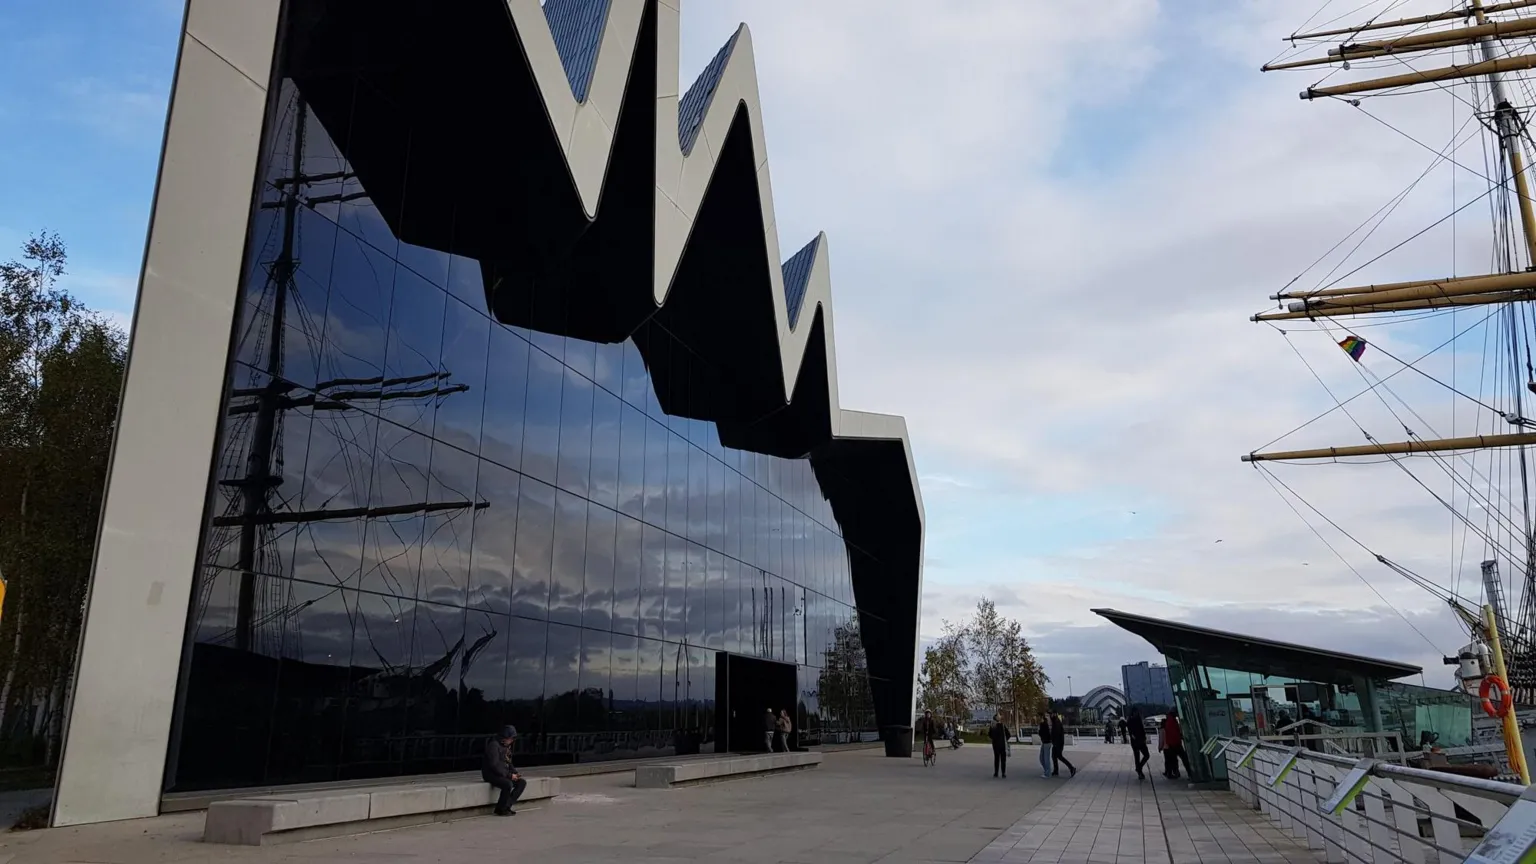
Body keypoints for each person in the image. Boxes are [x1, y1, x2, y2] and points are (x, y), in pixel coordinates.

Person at [481, 725, 527, 816]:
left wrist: (515, 773)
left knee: (521, 783)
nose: (512, 741)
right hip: (491, 774)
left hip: (502, 773)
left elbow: (509, 763)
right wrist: (509, 776)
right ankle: (501, 808)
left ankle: (506, 806)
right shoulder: (493, 746)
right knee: (507, 784)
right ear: (505, 737)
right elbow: (494, 765)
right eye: (510, 738)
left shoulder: (506, 747)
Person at [1160, 707, 1193, 780]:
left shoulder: (1169, 721)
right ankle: (1189, 773)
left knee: (1173, 760)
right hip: (1175, 743)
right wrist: (1180, 737)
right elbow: (1174, 733)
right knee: (1183, 759)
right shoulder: (1172, 721)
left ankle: (1173, 773)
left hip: (1171, 744)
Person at [1128, 708, 1150, 780]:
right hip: (1138, 741)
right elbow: (1131, 732)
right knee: (1143, 756)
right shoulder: (1134, 720)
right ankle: (1139, 771)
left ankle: (1139, 768)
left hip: (1137, 741)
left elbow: (1133, 732)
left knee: (1144, 756)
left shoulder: (1133, 720)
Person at [989, 713, 1011, 778]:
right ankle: (1003, 773)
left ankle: (996, 772)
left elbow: (990, 735)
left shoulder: (992, 726)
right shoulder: (1002, 726)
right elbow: (1008, 734)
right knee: (1003, 759)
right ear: (997, 718)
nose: (1000, 716)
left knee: (996, 758)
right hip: (1002, 745)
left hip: (995, 745)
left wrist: (994, 739)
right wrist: (1005, 739)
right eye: (999, 716)